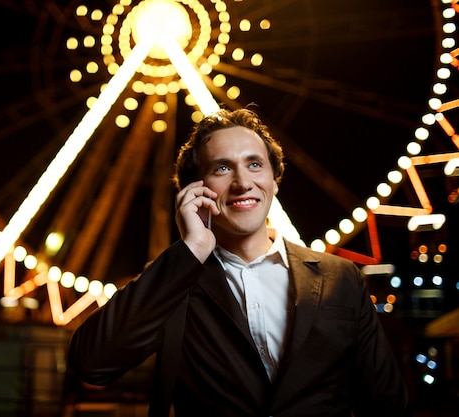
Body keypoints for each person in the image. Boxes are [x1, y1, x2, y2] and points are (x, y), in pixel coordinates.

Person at [67, 105, 408, 416]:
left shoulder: (340, 277)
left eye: (254, 164)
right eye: (222, 168)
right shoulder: (175, 283)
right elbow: (91, 363)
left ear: (274, 181)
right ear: (195, 190)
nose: (243, 183)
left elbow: (386, 403)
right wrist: (191, 250)